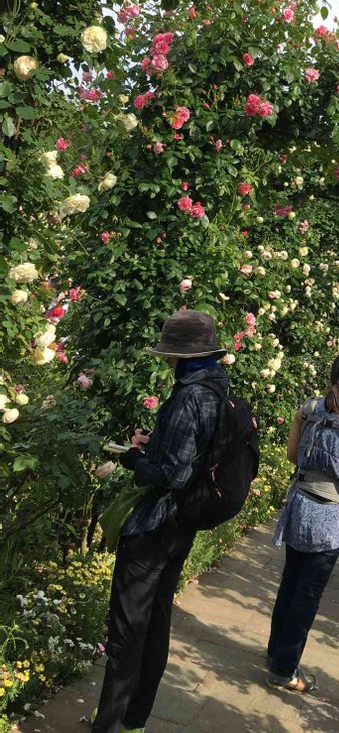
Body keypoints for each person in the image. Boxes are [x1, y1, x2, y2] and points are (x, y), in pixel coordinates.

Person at [91, 310, 229, 733]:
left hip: (155, 525)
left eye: (170, 355)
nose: (168, 362)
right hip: (182, 524)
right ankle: (134, 721)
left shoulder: (189, 395)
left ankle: (109, 725)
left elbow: (173, 474)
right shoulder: (217, 386)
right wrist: (159, 443)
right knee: (155, 623)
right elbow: (194, 451)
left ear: (183, 354)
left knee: (127, 630)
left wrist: (133, 457)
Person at [267, 350, 339, 692]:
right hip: (330, 517)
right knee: (307, 595)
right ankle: (284, 671)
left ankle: (277, 654)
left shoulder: (307, 408)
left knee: (289, 584)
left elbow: (292, 455)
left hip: (300, 505)